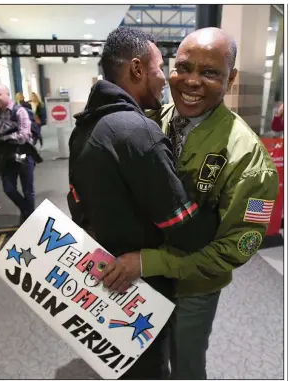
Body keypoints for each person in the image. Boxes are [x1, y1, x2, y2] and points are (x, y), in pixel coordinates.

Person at [100, 27, 279, 379]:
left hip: (192, 289)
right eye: (183, 67)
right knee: (143, 358)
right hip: (143, 279)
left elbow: (234, 249)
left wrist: (150, 262)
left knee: (186, 366)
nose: (191, 81)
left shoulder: (249, 160)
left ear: (231, 79)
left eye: (210, 72)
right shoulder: (151, 122)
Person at [68, 26, 219, 380]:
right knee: (149, 370)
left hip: (105, 279)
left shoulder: (86, 128)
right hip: (141, 292)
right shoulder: (136, 132)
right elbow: (186, 230)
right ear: (137, 69)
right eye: (160, 67)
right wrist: (217, 213)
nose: (165, 78)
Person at [0, 84, 39, 224]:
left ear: (7, 94)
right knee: (8, 188)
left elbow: (23, 136)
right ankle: (27, 210)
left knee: (28, 190)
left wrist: (3, 137)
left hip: (23, 154)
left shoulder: (19, 111)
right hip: (6, 156)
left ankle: (29, 218)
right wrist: (10, 135)